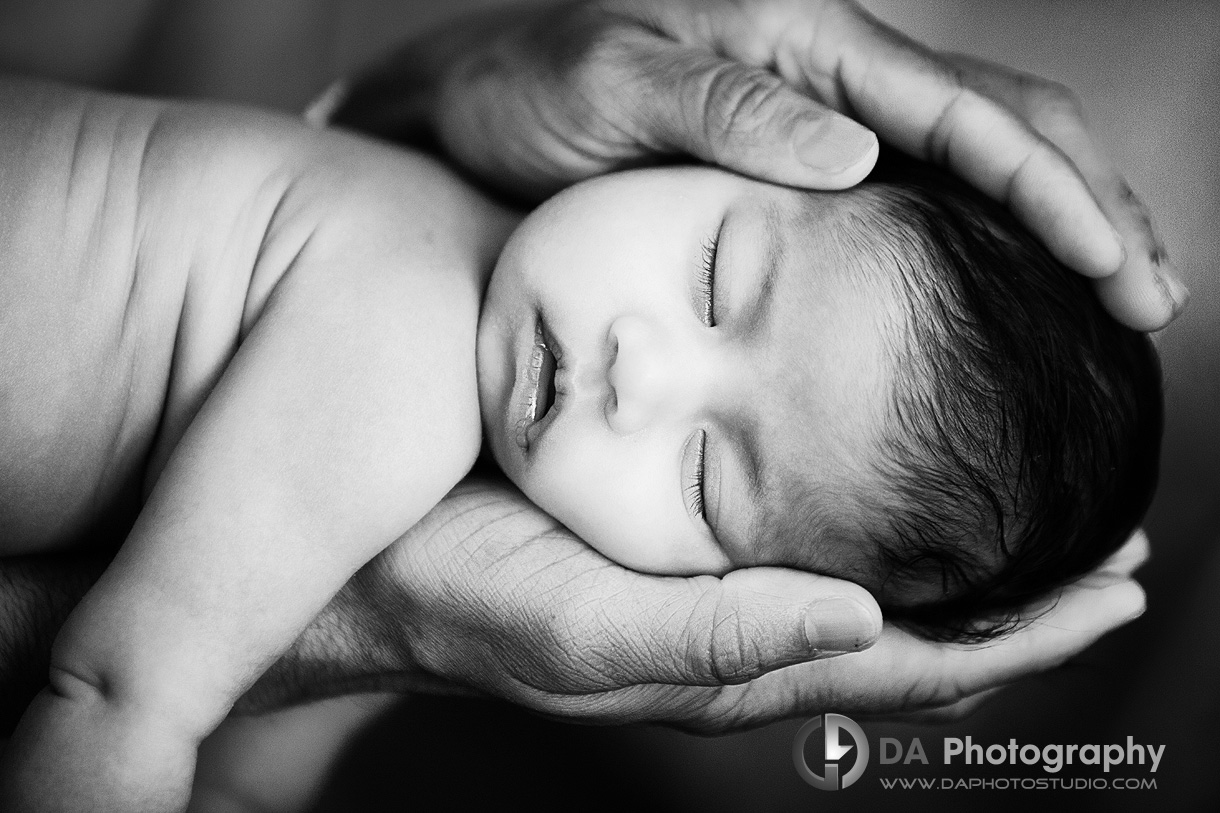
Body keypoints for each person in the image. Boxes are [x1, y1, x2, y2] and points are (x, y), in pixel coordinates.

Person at [0, 0, 1169, 797]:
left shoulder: (433, 465)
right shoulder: (400, 351)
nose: (638, 376)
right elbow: (123, 694)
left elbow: (268, 751)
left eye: (706, 481)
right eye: (716, 279)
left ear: (728, 591)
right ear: (717, 137)